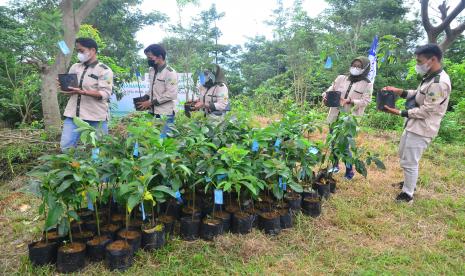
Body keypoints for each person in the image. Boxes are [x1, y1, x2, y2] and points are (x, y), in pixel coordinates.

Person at [382, 43, 451, 203]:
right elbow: (418, 94)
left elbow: (427, 110)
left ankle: (408, 194)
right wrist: (400, 91)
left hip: (423, 128)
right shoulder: (430, 77)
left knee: (410, 160)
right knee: (404, 155)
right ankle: (408, 183)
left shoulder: (439, 82)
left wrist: (399, 112)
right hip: (413, 124)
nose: (417, 65)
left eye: (420, 61)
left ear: (432, 59)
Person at [322, 56, 373, 180]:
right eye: (354, 65)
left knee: (344, 146)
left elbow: (366, 101)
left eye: (359, 66)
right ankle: (335, 166)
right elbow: (330, 89)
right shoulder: (341, 78)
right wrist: (325, 95)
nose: (355, 68)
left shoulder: (367, 84)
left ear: (365, 68)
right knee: (333, 142)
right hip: (334, 115)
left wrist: (349, 101)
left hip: (349, 120)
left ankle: (349, 171)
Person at [59, 37, 113, 151]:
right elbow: (70, 91)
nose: (79, 54)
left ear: (92, 50)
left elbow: (106, 93)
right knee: (66, 147)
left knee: (99, 149)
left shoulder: (105, 70)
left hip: (96, 117)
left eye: (81, 51)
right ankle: (71, 168)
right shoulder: (75, 67)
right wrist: (64, 88)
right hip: (73, 115)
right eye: (77, 51)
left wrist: (83, 92)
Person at [138, 44, 178, 138]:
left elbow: (171, 94)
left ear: (160, 57)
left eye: (150, 57)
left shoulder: (170, 73)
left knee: (163, 141)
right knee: (152, 139)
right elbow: (152, 89)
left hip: (165, 113)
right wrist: (145, 98)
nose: (149, 60)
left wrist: (150, 103)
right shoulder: (152, 70)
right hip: (153, 112)